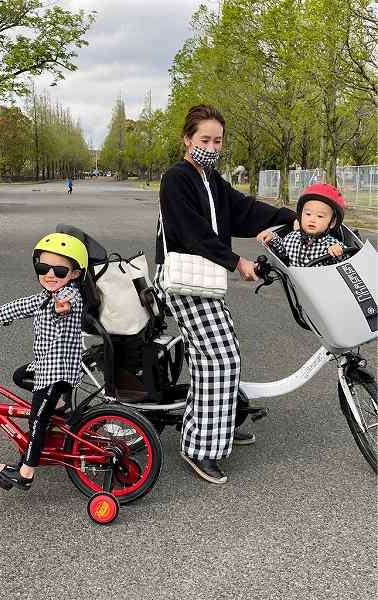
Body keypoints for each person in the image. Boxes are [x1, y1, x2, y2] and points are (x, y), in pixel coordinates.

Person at [154, 104, 297, 484]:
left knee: (219, 354)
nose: (212, 146)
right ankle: (200, 447)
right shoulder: (177, 178)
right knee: (220, 359)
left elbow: (245, 210)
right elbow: (191, 232)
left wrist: (292, 217)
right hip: (184, 281)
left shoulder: (212, 179)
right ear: (187, 139)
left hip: (203, 280)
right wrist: (238, 262)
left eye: (217, 141)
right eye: (205, 139)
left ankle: (215, 426)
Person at [0, 232, 88, 490]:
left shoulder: (69, 296)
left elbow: (66, 306)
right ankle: (61, 403)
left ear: (75, 274)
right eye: (43, 268)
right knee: (20, 375)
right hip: (45, 366)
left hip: (57, 371)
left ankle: (27, 472)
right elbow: (25, 304)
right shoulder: (45, 296)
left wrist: (60, 308)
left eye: (59, 270)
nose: (50, 274)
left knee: (37, 420)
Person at [257, 183, 345, 266]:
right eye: (308, 214)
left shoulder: (332, 245)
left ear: (332, 222)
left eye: (320, 216)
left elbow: (346, 264)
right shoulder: (292, 237)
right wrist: (272, 238)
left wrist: (339, 252)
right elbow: (282, 253)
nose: (312, 220)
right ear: (300, 215)